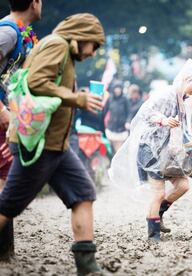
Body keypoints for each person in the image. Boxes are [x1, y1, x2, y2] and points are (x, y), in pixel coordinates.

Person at [0, 13, 105, 275]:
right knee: (8, 206)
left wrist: (74, 97)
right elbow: (37, 82)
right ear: (82, 36)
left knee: (83, 193)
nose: (94, 52)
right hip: (40, 144)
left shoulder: (63, 49)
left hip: (56, 144)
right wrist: (76, 98)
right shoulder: (57, 45)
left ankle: (87, 266)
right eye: (95, 44)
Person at [109, 59, 192, 242]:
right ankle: (153, 234)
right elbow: (146, 112)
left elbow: (185, 132)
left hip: (166, 152)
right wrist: (163, 120)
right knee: (158, 192)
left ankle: (159, 213)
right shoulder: (166, 95)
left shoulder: (182, 103)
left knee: (183, 186)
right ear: (187, 79)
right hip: (150, 149)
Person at [0, 0, 42, 260]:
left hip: (12, 116)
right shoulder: (8, 32)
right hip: (1, 115)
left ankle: (5, 252)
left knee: (6, 180)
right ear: (34, 2)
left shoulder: (23, 32)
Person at [106, 83, 129, 153]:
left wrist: (128, 121)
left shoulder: (125, 99)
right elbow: (105, 111)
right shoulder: (110, 99)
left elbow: (129, 112)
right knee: (110, 150)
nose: (117, 90)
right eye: (116, 88)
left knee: (119, 151)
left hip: (121, 129)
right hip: (111, 128)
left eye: (119, 89)